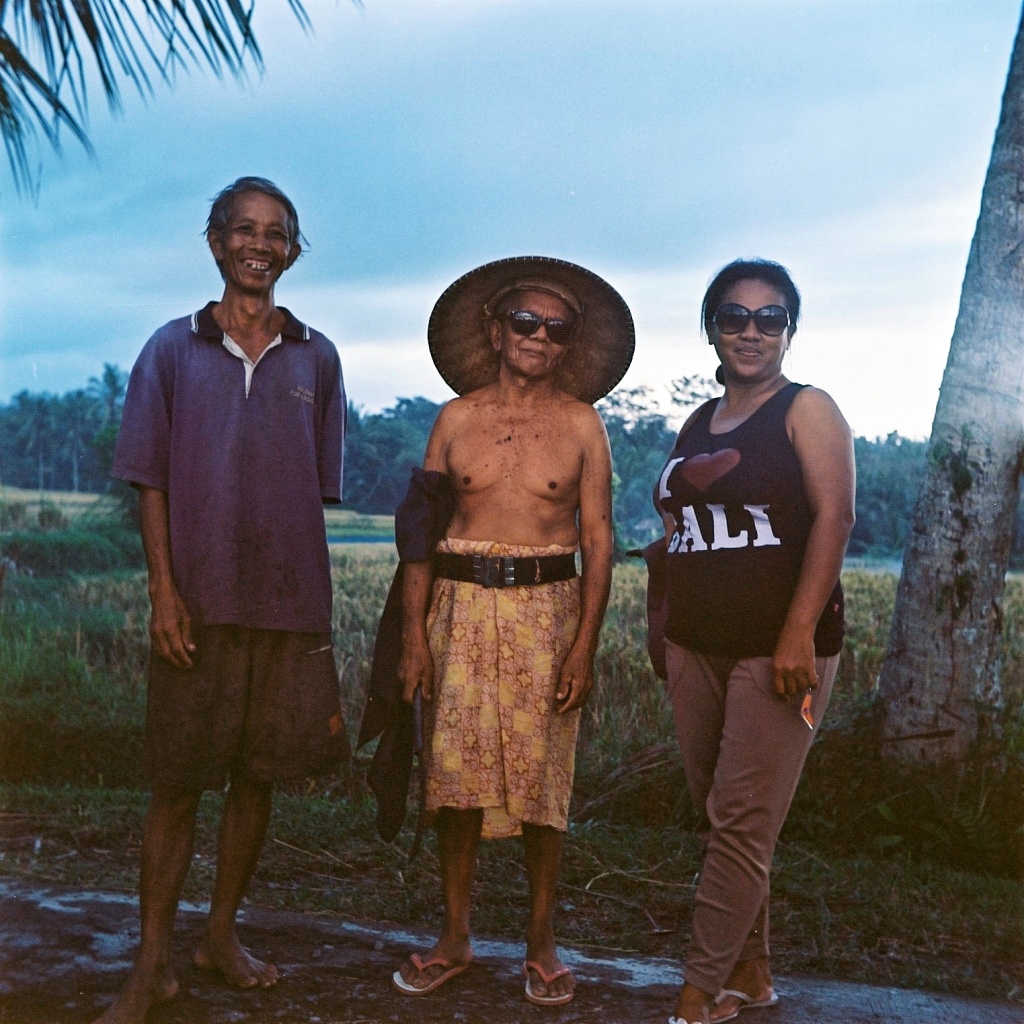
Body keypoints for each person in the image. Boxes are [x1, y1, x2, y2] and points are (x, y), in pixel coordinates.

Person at [97, 177, 348, 1024]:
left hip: (285, 610)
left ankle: (220, 935)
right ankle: (151, 963)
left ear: (292, 251)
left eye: (276, 232)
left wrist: (306, 611)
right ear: (214, 243)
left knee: (257, 779)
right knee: (176, 784)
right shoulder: (170, 349)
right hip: (195, 608)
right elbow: (151, 482)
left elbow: (311, 492)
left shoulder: (317, 357)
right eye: (243, 229)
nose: (259, 243)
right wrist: (166, 591)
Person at [392, 256, 633, 1007]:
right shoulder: (455, 420)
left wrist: (584, 645)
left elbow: (599, 539)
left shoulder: (582, 426)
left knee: (540, 785)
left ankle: (540, 939)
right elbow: (419, 536)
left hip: (546, 614)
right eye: (525, 322)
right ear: (496, 331)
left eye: (556, 329)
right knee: (453, 780)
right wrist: (412, 639)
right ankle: (455, 934)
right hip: (458, 611)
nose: (539, 337)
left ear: (568, 346)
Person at [653, 259, 855, 1024]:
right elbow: (677, 532)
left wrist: (798, 632)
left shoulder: (808, 410)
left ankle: (698, 994)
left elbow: (834, 520)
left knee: (740, 821)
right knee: (727, 813)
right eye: (734, 316)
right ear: (712, 326)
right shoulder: (697, 422)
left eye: (769, 319)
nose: (750, 331)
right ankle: (754, 975)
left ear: (790, 331)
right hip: (695, 644)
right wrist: (659, 626)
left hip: (778, 651)